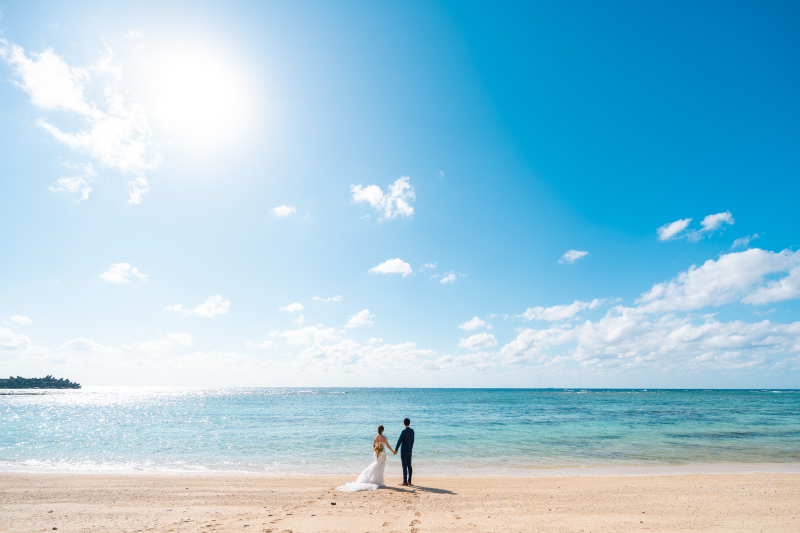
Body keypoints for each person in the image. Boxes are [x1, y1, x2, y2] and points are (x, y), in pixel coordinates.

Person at [336, 425, 395, 492]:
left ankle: (378, 481)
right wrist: (393, 451)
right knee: (380, 467)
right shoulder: (384, 438)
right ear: (382, 430)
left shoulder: (376, 437)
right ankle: (378, 481)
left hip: (377, 453)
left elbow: (373, 445)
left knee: (377, 465)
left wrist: (376, 450)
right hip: (382, 454)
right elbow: (388, 445)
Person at [394, 418, 414, 486]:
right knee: (409, 465)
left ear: (404, 424)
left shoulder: (403, 431)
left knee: (404, 466)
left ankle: (405, 481)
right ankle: (410, 481)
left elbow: (399, 441)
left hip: (404, 451)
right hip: (409, 450)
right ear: (409, 423)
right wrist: (411, 449)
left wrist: (396, 449)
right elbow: (412, 441)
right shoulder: (412, 431)